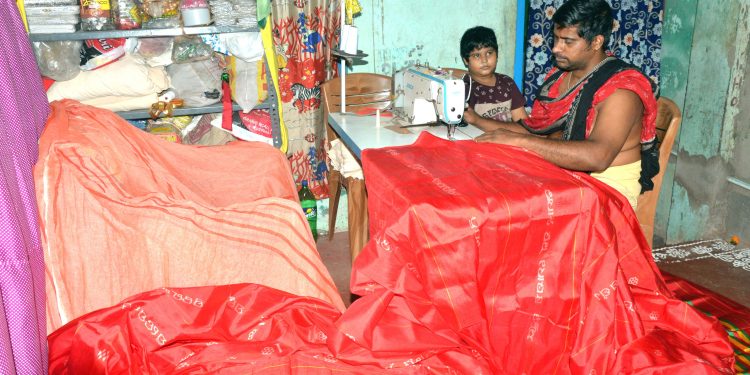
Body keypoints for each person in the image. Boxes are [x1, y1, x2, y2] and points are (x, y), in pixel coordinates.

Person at [474, 0, 658, 209]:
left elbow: (598, 157)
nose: (555, 48)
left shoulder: (621, 90)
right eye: (555, 38)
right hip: (567, 176)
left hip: (606, 191)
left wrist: (518, 141)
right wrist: (476, 121)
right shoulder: (561, 77)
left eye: (567, 41)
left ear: (597, 42)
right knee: (490, 185)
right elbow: (535, 130)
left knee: (512, 210)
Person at [459, 26, 528, 126]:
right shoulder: (465, 88)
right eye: (477, 55)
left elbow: (523, 124)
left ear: (497, 54)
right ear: (466, 60)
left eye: (489, 53)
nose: (484, 60)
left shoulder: (507, 83)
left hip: (509, 138)